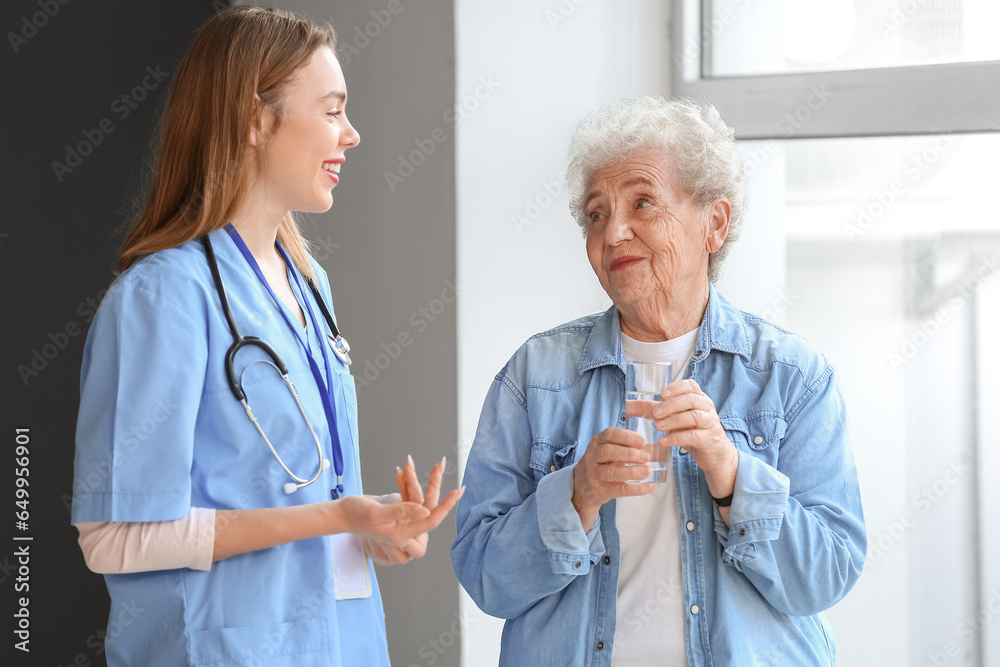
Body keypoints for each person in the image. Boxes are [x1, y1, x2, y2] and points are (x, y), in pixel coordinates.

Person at [70, 7, 462, 666]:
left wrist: (372, 532)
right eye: (333, 110)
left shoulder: (310, 284)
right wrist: (338, 518)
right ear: (256, 119)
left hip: (342, 645)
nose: (353, 134)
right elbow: (112, 537)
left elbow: (299, 494)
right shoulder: (163, 296)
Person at [451, 95, 866, 666]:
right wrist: (577, 496)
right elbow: (484, 575)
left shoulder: (791, 377)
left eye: (642, 202)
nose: (614, 231)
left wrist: (731, 473)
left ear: (713, 224)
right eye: (596, 213)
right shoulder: (536, 377)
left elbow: (828, 575)